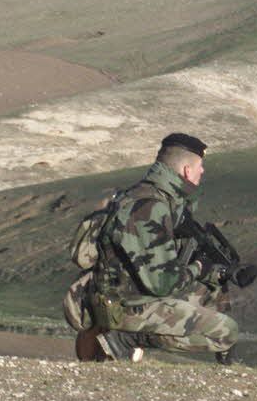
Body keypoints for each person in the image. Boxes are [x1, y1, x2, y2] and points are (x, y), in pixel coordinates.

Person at [75, 133, 240, 364]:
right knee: (226, 332)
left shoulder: (146, 196)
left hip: (123, 296)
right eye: (200, 166)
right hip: (126, 306)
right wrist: (199, 268)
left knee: (207, 290)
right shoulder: (150, 207)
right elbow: (162, 283)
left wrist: (212, 274)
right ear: (186, 170)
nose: (202, 171)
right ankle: (124, 339)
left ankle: (226, 364)